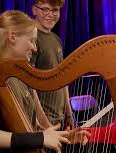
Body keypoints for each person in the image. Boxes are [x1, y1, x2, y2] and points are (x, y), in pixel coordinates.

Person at [0, 10, 89, 153]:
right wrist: (40, 138)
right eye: (32, 41)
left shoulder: (20, 76)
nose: (34, 47)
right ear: (12, 37)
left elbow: (31, 127)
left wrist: (64, 136)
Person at [30, 0, 74, 129]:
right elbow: (28, 84)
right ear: (34, 10)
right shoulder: (30, 38)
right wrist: (44, 123)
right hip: (42, 121)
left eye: (55, 10)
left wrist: (69, 114)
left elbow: (62, 78)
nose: (50, 14)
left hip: (59, 118)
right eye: (45, 9)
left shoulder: (56, 39)